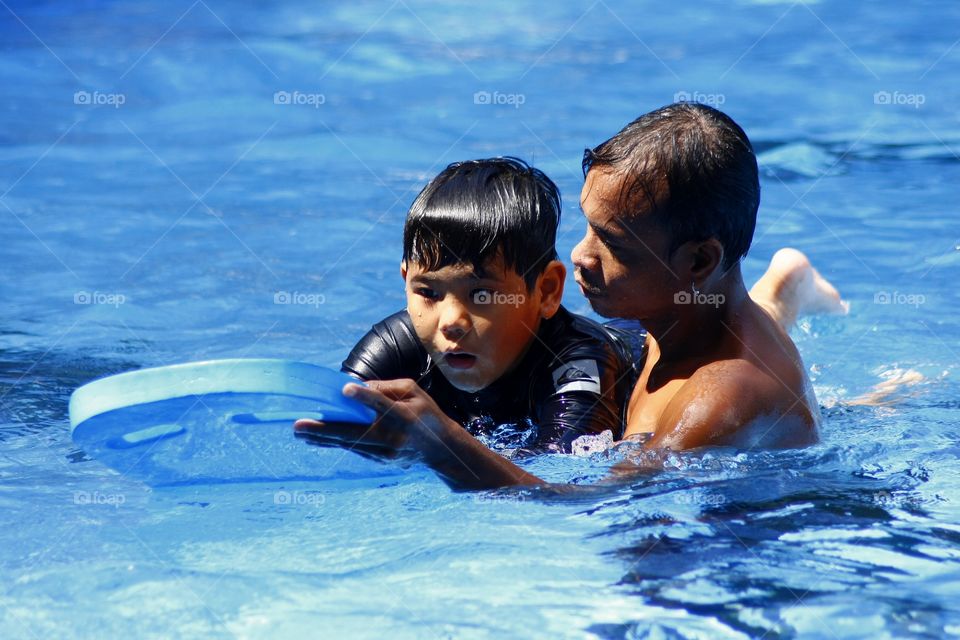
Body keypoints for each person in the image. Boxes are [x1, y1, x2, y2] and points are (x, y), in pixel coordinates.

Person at [296, 106, 846, 489]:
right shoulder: (680, 316)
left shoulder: (719, 401)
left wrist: (442, 444)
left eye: (611, 242)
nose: (580, 256)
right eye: (588, 227)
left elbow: (591, 509)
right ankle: (781, 292)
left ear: (698, 261)